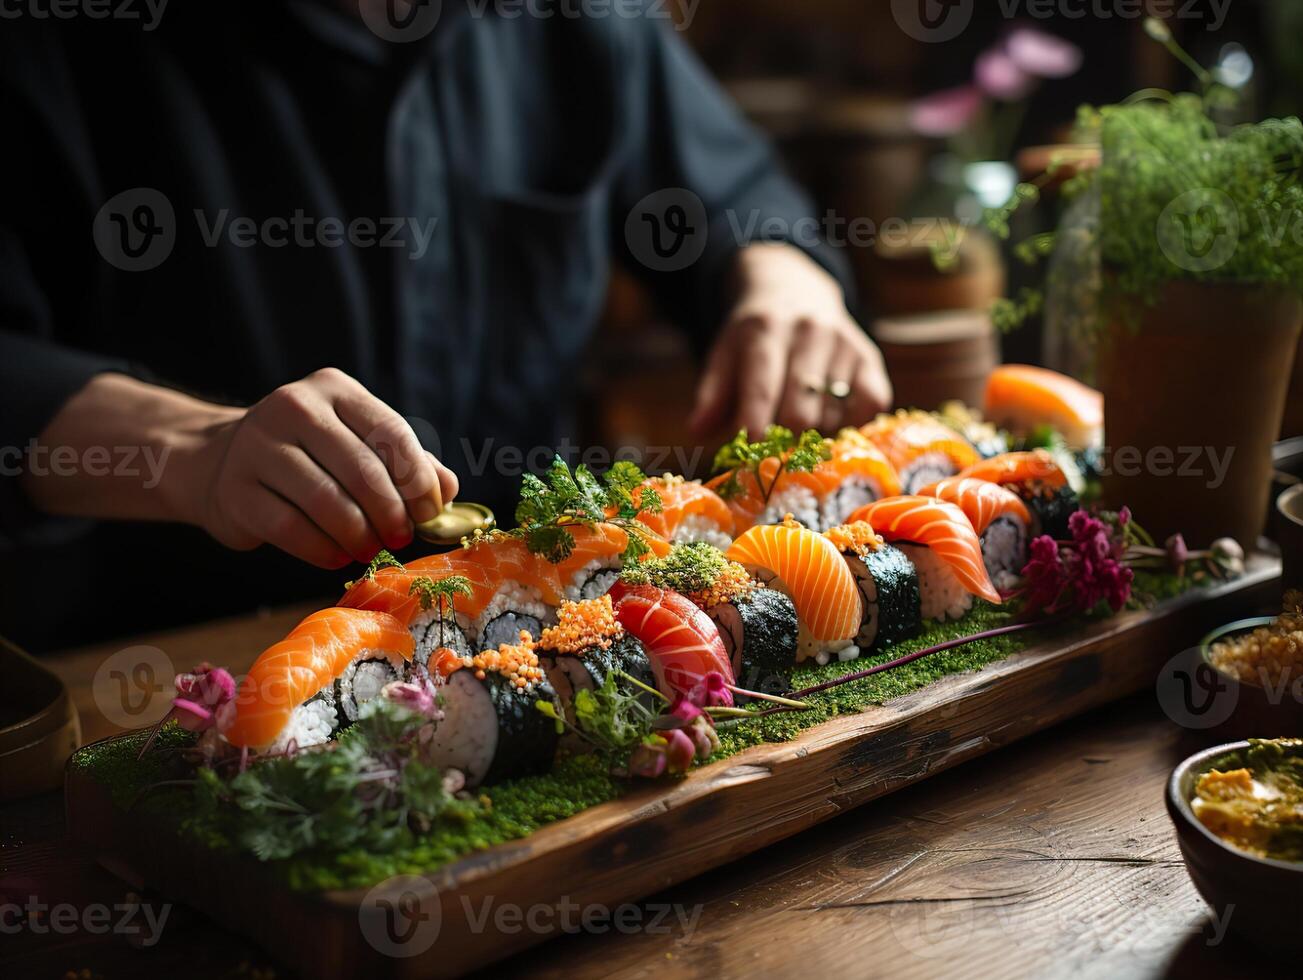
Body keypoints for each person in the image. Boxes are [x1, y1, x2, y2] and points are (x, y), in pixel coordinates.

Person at [0, 0, 891, 649]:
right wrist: (198, 449)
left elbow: (730, 195)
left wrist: (783, 279)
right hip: (159, 659)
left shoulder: (576, 21)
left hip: (531, 632)